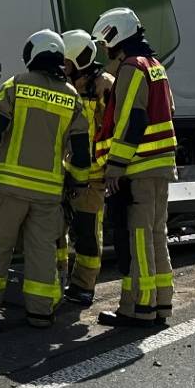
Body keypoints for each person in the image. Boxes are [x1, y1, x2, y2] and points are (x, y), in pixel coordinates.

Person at [0, 30, 92, 328]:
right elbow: (82, 152)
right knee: (42, 250)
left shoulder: (16, 85)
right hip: (48, 193)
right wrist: (78, 182)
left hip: (9, 186)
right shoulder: (72, 96)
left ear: (32, 54)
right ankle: (40, 311)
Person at [91, 8, 180, 328]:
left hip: (137, 168)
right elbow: (168, 110)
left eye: (105, 43)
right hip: (161, 166)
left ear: (116, 36)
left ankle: (139, 308)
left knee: (139, 237)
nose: (105, 50)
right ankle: (160, 302)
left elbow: (131, 120)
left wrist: (115, 166)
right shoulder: (156, 67)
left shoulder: (131, 68)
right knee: (157, 234)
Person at [60, 29, 116, 306]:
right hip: (63, 171)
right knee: (56, 232)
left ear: (80, 59)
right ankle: (57, 280)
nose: (63, 67)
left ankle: (84, 285)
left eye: (67, 62)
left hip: (94, 176)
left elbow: (116, 127)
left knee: (87, 232)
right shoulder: (63, 85)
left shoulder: (105, 85)